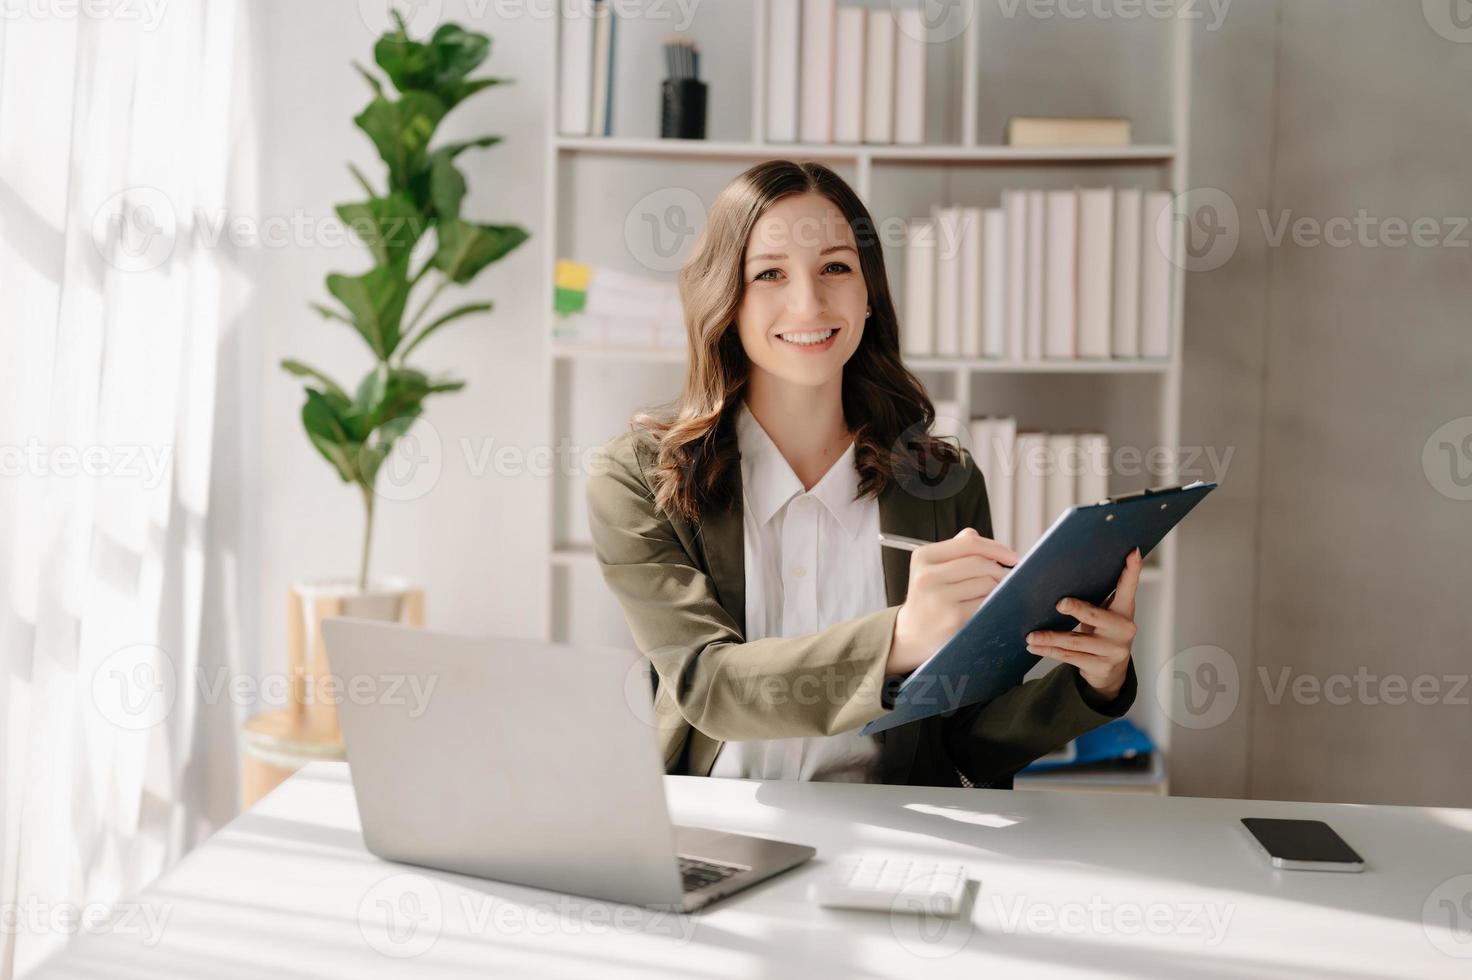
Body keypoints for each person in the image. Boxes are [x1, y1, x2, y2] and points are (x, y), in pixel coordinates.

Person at [585, 159, 1141, 789]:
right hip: (713, 820)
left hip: (891, 829)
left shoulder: (943, 482)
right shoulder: (638, 478)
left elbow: (970, 741)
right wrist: (900, 637)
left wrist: (1096, 680)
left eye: (836, 267)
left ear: (869, 293)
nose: (808, 301)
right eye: (769, 273)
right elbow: (708, 687)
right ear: (727, 302)